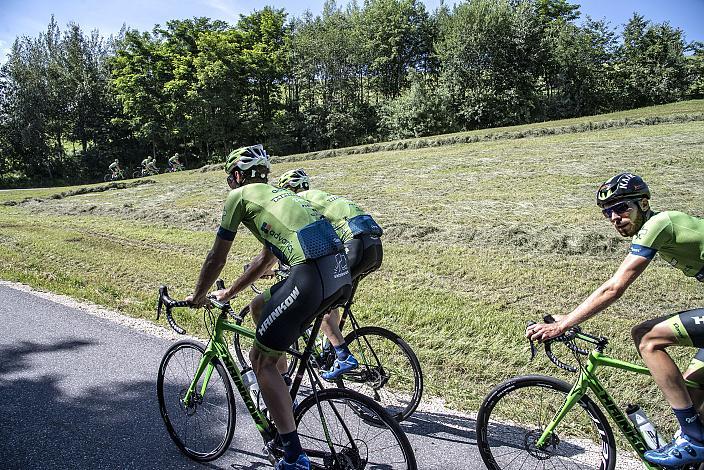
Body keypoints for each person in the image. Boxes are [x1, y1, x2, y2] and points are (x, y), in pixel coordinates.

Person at [186, 145, 351, 470]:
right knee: (262, 304)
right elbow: (265, 260)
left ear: (235, 176)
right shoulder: (281, 197)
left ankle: (293, 457)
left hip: (310, 275)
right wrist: (231, 291)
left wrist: (197, 295)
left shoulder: (239, 196)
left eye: (229, 179)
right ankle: (283, 383)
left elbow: (216, 257)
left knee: (258, 360)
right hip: (340, 273)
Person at [526, 172, 704, 467]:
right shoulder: (659, 226)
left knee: (647, 337)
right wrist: (568, 317)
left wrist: (564, 323)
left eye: (622, 208)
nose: (614, 217)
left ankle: (692, 439)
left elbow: (615, 287)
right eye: (608, 212)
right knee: (693, 389)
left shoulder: (659, 224)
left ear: (644, 203)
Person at [277, 168, 383, 380]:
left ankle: (344, 357)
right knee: (332, 298)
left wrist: (282, 268)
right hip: (373, 245)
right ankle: (331, 348)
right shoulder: (319, 196)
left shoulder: (300, 203)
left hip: (355, 245)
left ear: (289, 190)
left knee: (321, 303)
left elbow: (302, 242)